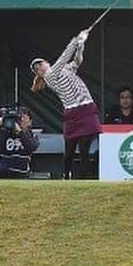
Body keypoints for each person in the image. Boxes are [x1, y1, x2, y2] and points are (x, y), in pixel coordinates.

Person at [30, 28, 101, 180]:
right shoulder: (50, 76)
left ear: (46, 63)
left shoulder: (65, 69)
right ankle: (65, 176)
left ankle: (83, 180)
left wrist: (81, 44)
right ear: (39, 74)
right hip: (72, 113)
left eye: (40, 64)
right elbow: (64, 57)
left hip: (87, 109)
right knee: (69, 150)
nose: (39, 68)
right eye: (37, 69)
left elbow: (77, 61)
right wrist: (76, 40)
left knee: (84, 150)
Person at [0, 106, 39, 178]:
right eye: (19, 118)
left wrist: (20, 133)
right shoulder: (5, 133)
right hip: (2, 172)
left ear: (30, 122)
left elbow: (31, 148)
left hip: (21, 173)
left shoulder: (32, 135)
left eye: (24, 117)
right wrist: (1, 129)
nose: (21, 120)